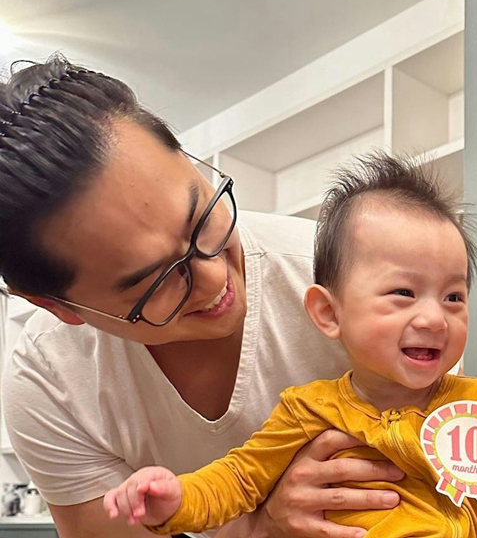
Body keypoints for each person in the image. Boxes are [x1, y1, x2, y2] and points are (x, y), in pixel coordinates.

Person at [102, 153, 477, 538]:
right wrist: (174, 499)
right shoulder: (307, 411)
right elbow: (237, 480)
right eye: (403, 293)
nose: (434, 318)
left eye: (454, 296)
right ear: (328, 313)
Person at [0, 56, 407, 538]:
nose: (213, 280)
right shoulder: (51, 381)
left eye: (201, 217)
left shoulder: (347, 279)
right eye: (153, 281)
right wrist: (266, 527)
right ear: (57, 306)